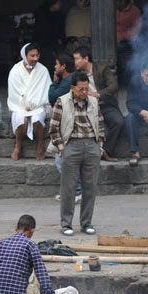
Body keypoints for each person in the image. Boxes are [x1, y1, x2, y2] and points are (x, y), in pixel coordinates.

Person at [47, 71, 105, 237]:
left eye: (86, 89)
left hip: (91, 145)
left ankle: (86, 223)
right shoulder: (62, 102)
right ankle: (66, 224)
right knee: (68, 188)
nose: (84, 93)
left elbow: (100, 124)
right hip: (71, 145)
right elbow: (53, 128)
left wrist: (99, 145)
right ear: (73, 88)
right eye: (81, 89)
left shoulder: (93, 101)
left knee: (90, 187)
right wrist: (62, 148)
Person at [73, 46, 123, 161]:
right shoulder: (77, 74)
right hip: (86, 107)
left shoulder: (102, 68)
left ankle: (105, 151)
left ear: (85, 58)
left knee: (119, 122)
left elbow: (113, 86)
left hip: (104, 104)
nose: (75, 62)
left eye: (77, 59)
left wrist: (98, 94)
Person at [7, 43, 51, 160]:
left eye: (37, 55)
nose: (35, 58)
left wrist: (35, 103)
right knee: (22, 120)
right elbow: (14, 92)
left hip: (38, 105)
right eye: (32, 56)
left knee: (37, 119)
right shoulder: (15, 70)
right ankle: (18, 144)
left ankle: (40, 144)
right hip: (20, 106)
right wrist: (24, 104)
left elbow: (46, 90)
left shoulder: (43, 70)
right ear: (25, 56)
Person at [48, 54, 81, 204]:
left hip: (70, 125)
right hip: (64, 124)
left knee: (63, 161)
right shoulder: (68, 80)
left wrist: (54, 82)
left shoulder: (67, 82)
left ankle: (78, 191)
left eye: (56, 64)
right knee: (61, 160)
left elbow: (52, 97)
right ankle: (70, 191)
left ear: (63, 67)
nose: (55, 67)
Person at [33, 0, 66, 71]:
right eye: (58, 2)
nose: (61, 4)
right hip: (44, 46)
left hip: (53, 46)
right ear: (52, 4)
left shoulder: (59, 15)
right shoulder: (41, 15)